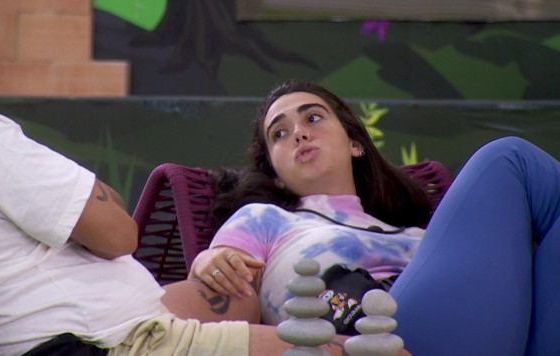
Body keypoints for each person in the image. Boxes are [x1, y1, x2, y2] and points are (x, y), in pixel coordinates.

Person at [0, 0, 359, 356]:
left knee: (238, 296)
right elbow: (118, 233)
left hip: (63, 329)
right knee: (344, 350)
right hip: (111, 343)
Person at [188, 79, 560, 355]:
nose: (299, 134)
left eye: (313, 118)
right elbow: (221, 269)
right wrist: (209, 260)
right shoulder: (264, 219)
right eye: (280, 134)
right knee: (507, 159)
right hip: (382, 339)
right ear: (274, 173)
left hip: (497, 331)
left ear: (355, 144)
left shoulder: (413, 232)